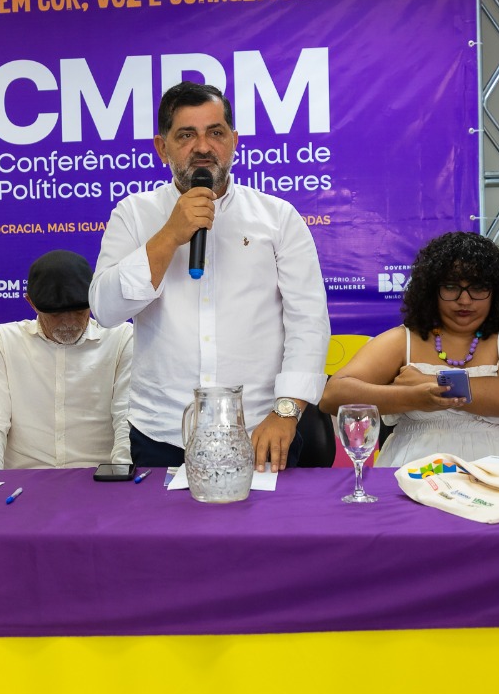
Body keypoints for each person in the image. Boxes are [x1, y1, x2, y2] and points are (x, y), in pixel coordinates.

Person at [89, 81, 330, 471]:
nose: (203, 147)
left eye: (215, 133)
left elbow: (308, 322)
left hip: (261, 430)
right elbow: (106, 310)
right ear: (162, 147)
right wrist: (170, 235)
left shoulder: (278, 217)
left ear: (234, 141)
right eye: (186, 135)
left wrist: (286, 412)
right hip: (162, 433)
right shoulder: (133, 214)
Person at [320, 231, 499, 467]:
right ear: (431, 291)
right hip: (414, 470)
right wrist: (413, 397)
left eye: (478, 288)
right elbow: (332, 396)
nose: (465, 300)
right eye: (451, 287)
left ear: (497, 292)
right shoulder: (403, 339)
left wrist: (428, 382)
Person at [0, 250, 133, 469]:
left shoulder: (121, 339)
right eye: (56, 314)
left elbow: (126, 420)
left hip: (97, 477)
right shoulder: (3, 341)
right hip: (24, 478)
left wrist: (121, 477)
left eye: (79, 311)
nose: (69, 322)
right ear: (31, 303)